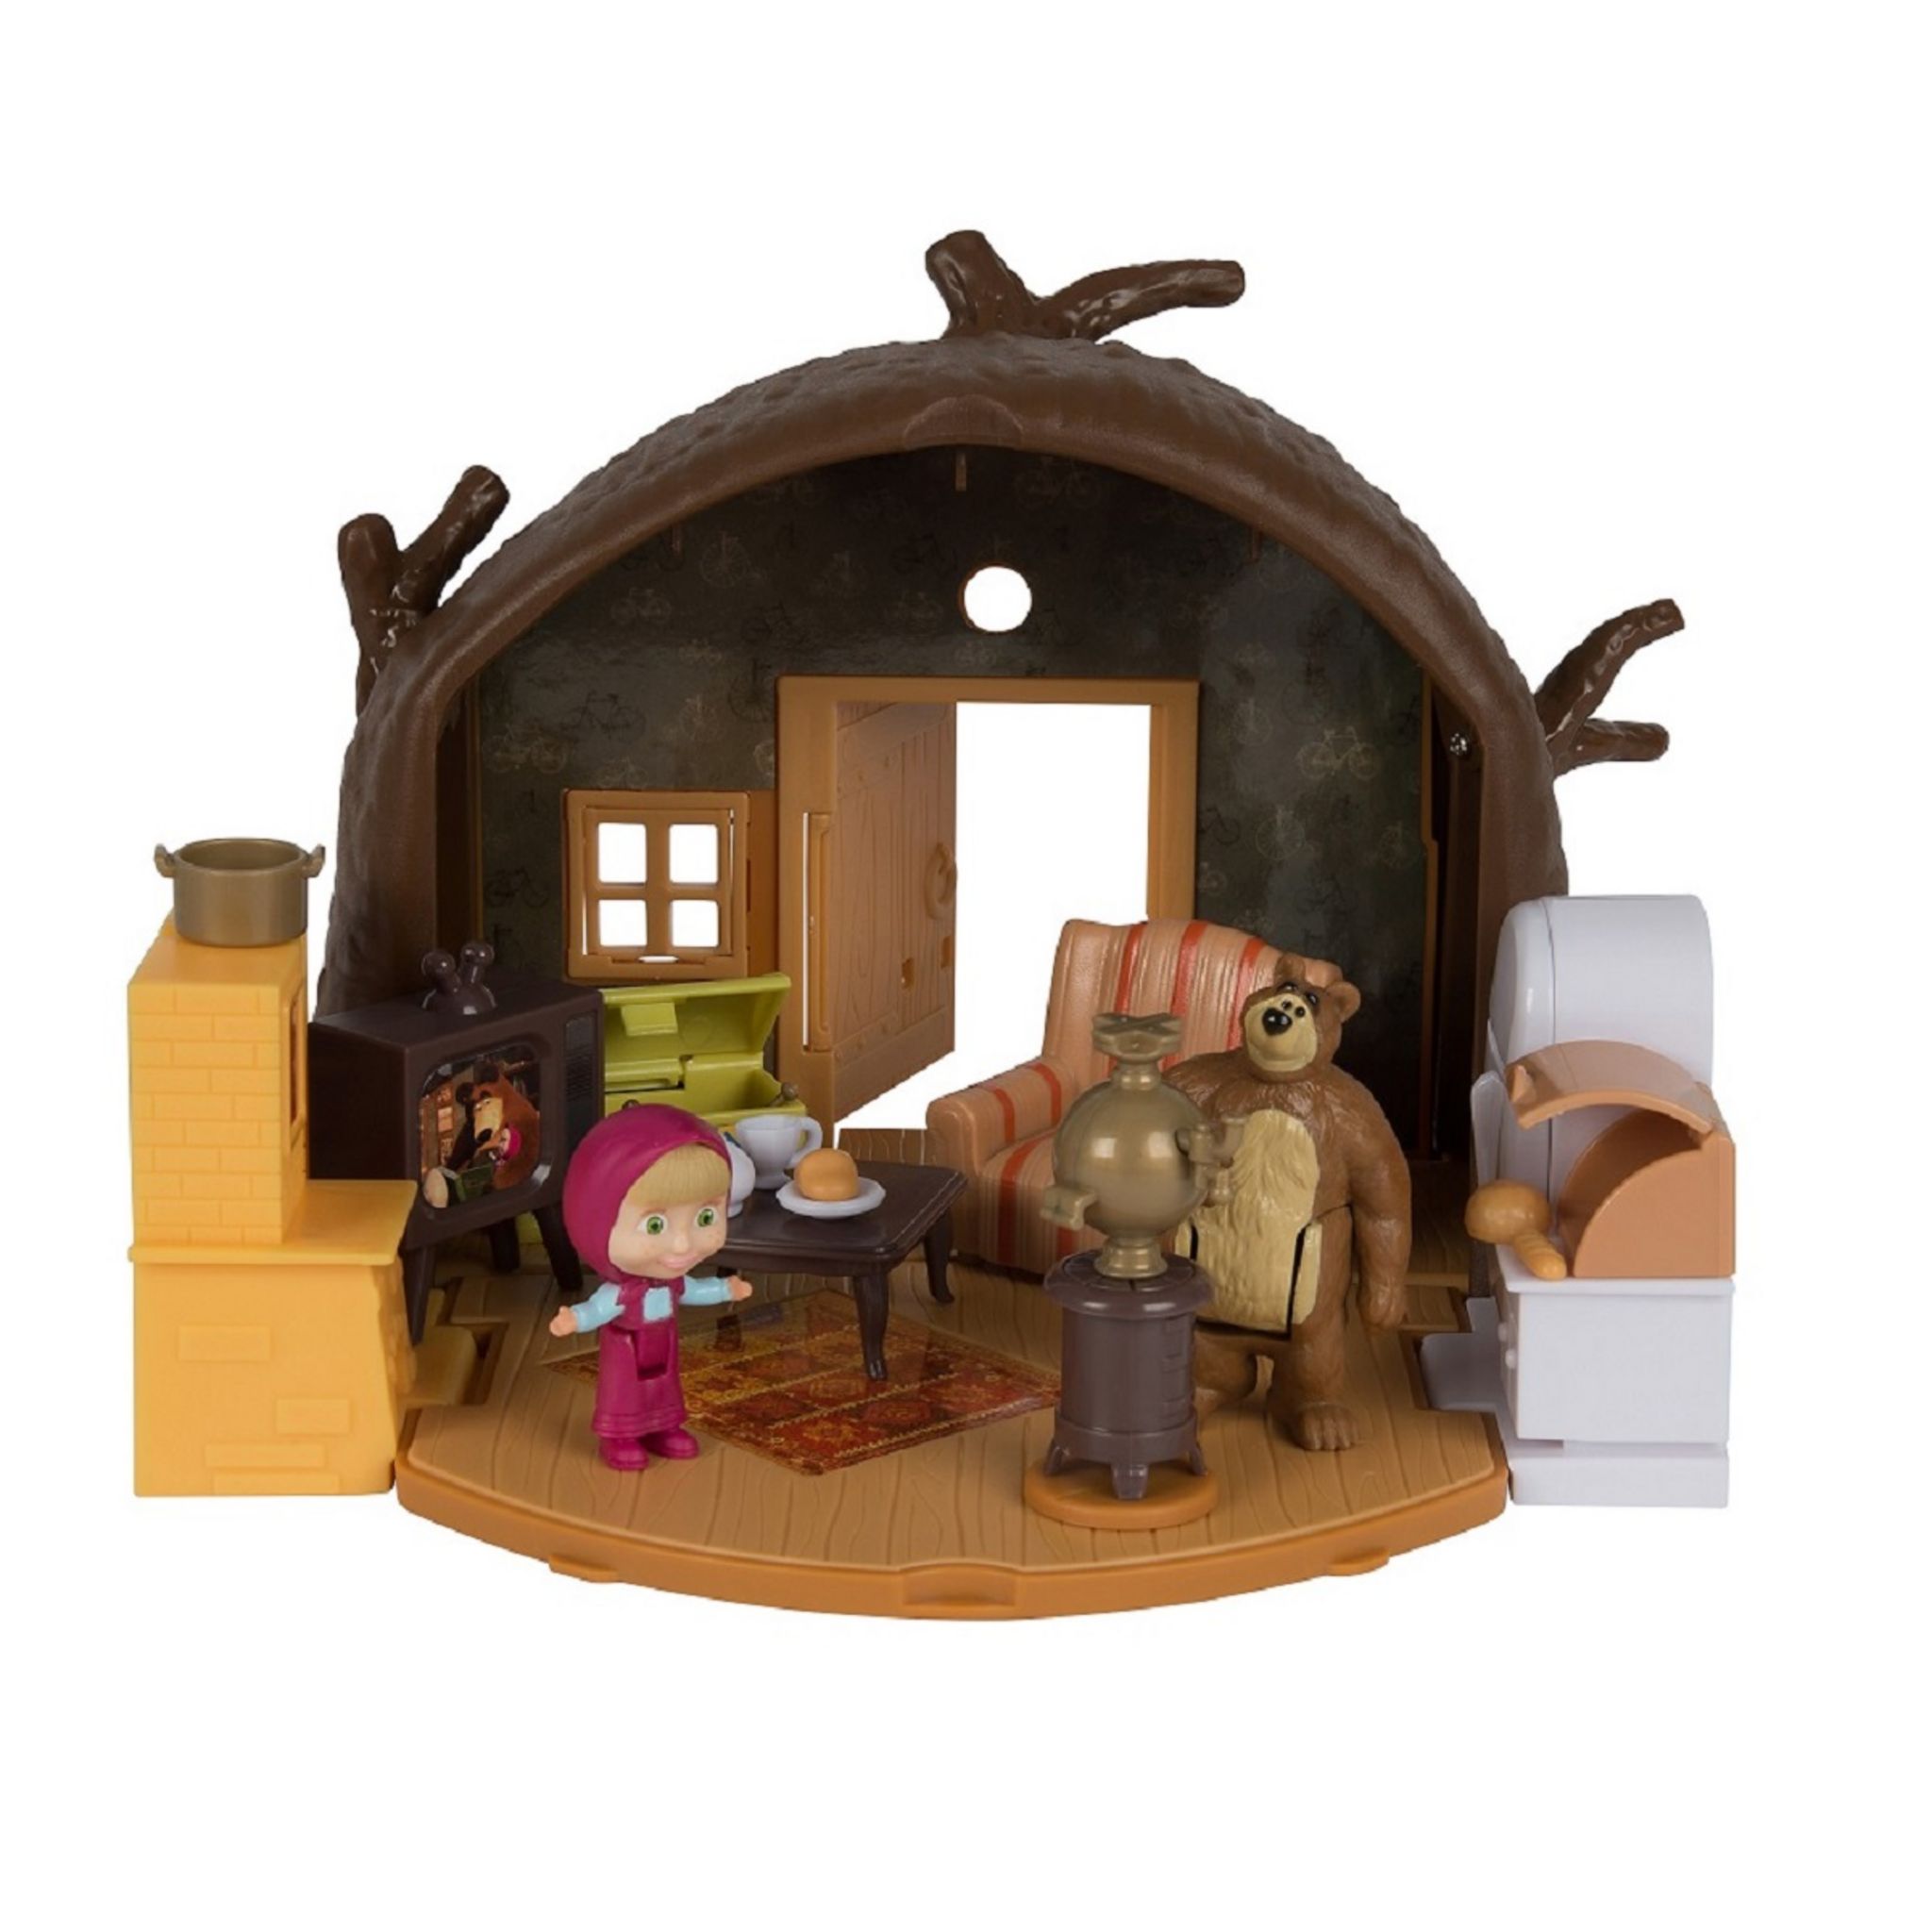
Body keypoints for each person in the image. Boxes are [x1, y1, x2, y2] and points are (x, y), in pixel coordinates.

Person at [552, 1106, 754, 1471]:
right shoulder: (623, 1292)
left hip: (664, 1341)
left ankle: (664, 1426)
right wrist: (575, 1319)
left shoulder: (673, 1283)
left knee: (665, 1388)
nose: (682, 1244)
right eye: (656, 1225)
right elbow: (598, 1309)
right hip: (626, 1346)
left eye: (705, 1217)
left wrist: (725, 1289)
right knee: (625, 1393)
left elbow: (695, 1290)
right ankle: (620, 1435)